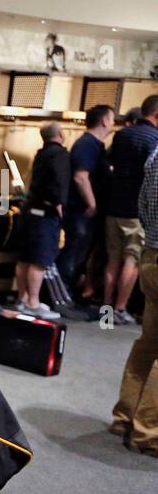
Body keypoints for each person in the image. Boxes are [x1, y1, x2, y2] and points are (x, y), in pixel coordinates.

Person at [111, 144, 158, 455]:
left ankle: (124, 416)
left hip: (152, 256)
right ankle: (149, 433)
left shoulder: (155, 154)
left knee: (148, 343)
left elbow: (142, 206)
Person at [103, 94, 158, 325]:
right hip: (135, 211)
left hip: (113, 206)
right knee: (132, 260)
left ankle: (105, 310)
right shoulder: (155, 140)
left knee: (112, 260)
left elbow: (110, 163)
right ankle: (120, 309)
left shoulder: (121, 135)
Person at [14, 123, 70, 318]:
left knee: (24, 258)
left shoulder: (40, 153)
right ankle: (34, 302)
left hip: (29, 210)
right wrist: (59, 204)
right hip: (45, 214)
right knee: (39, 260)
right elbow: (59, 182)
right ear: (61, 134)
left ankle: (22, 299)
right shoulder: (60, 155)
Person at [57, 105, 113, 294]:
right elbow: (81, 176)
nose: (113, 123)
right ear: (104, 121)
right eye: (112, 119)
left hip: (84, 211)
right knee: (73, 252)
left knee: (78, 252)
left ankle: (67, 291)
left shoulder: (94, 145)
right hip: (80, 211)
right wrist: (92, 203)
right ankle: (61, 293)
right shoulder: (88, 144)